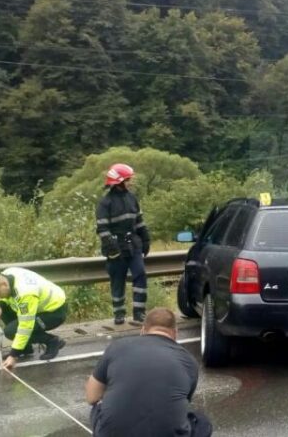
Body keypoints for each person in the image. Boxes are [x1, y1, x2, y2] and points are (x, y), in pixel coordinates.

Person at [85, 308, 213, 437]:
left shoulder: (117, 346)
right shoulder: (189, 361)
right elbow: (178, 404)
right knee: (202, 423)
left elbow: (91, 396)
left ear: (143, 330)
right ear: (175, 333)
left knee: (98, 406)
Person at [96, 163, 151, 325]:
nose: (130, 182)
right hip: (115, 247)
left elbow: (139, 222)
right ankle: (119, 313)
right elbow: (102, 228)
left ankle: (139, 312)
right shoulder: (105, 203)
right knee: (117, 279)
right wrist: (112, 247)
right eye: (127, 179)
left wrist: (145, 239)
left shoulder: (132, 198)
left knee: (140, 274)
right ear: (118, 181)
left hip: (133, 244)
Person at [0, 267, 67, 370]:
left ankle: (52, 341)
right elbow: (5, 298)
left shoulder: (25, 293)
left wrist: (13, 354)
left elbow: (25, 327)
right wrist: (0, 306)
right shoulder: (7, 274)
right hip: (38, 307)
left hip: (54, 312)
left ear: (4, 284)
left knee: (11, 331)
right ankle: (25, 348)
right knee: (4, 310)